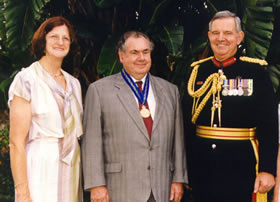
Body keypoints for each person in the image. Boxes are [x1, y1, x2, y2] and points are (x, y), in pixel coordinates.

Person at [182, 10, 278, 202]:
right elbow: (186, 126)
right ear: (209, 36)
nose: (221, 38)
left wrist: (267, 170)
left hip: (243, 166)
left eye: (227, 33)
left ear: (239, 36)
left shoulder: (255, 72)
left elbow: (269, 125)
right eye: (215, 33)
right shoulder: (197, 72)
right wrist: (186, 169)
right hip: (202, 168)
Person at [82, 31, 188, 202]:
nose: (141, 58)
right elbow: (92, 142)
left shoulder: (170, 91)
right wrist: (96, 185)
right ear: (121, 56)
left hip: (162, 188)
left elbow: (178, 141)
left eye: (145, 52)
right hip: (119, 188)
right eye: (134, 52)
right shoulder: (99, 91)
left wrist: (178, 179)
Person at [8, 16, 83, 202]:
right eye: (54, 37)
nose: (60, 42)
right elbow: (16, 142)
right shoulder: (27, 80)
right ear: (43, 40)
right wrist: (23, 190)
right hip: (40, 167)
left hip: (72, 166)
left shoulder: (74, 84)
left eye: (65, 38)